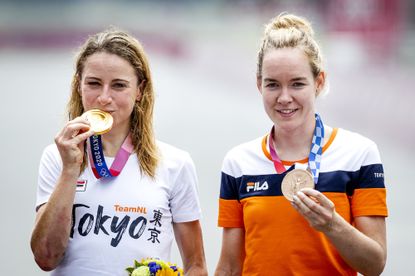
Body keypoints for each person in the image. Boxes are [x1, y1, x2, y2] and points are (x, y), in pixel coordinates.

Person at [215, 13, 387, 276]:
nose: (285, 98)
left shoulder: (359, 154)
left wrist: (332, 225)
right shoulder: (238, 162)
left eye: (297, 84)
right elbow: (229, 267)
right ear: (259, 84)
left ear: (319, 82)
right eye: (273, 84)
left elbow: (374, 265)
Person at [30, 28, 208, 276]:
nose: (104, 98)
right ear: (78, 85)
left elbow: (196, 267)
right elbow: (45, 258)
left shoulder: (175, 164)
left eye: (119, 85)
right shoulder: (56, 157)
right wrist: (70, 170)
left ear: (139, 90)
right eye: (93, 83)